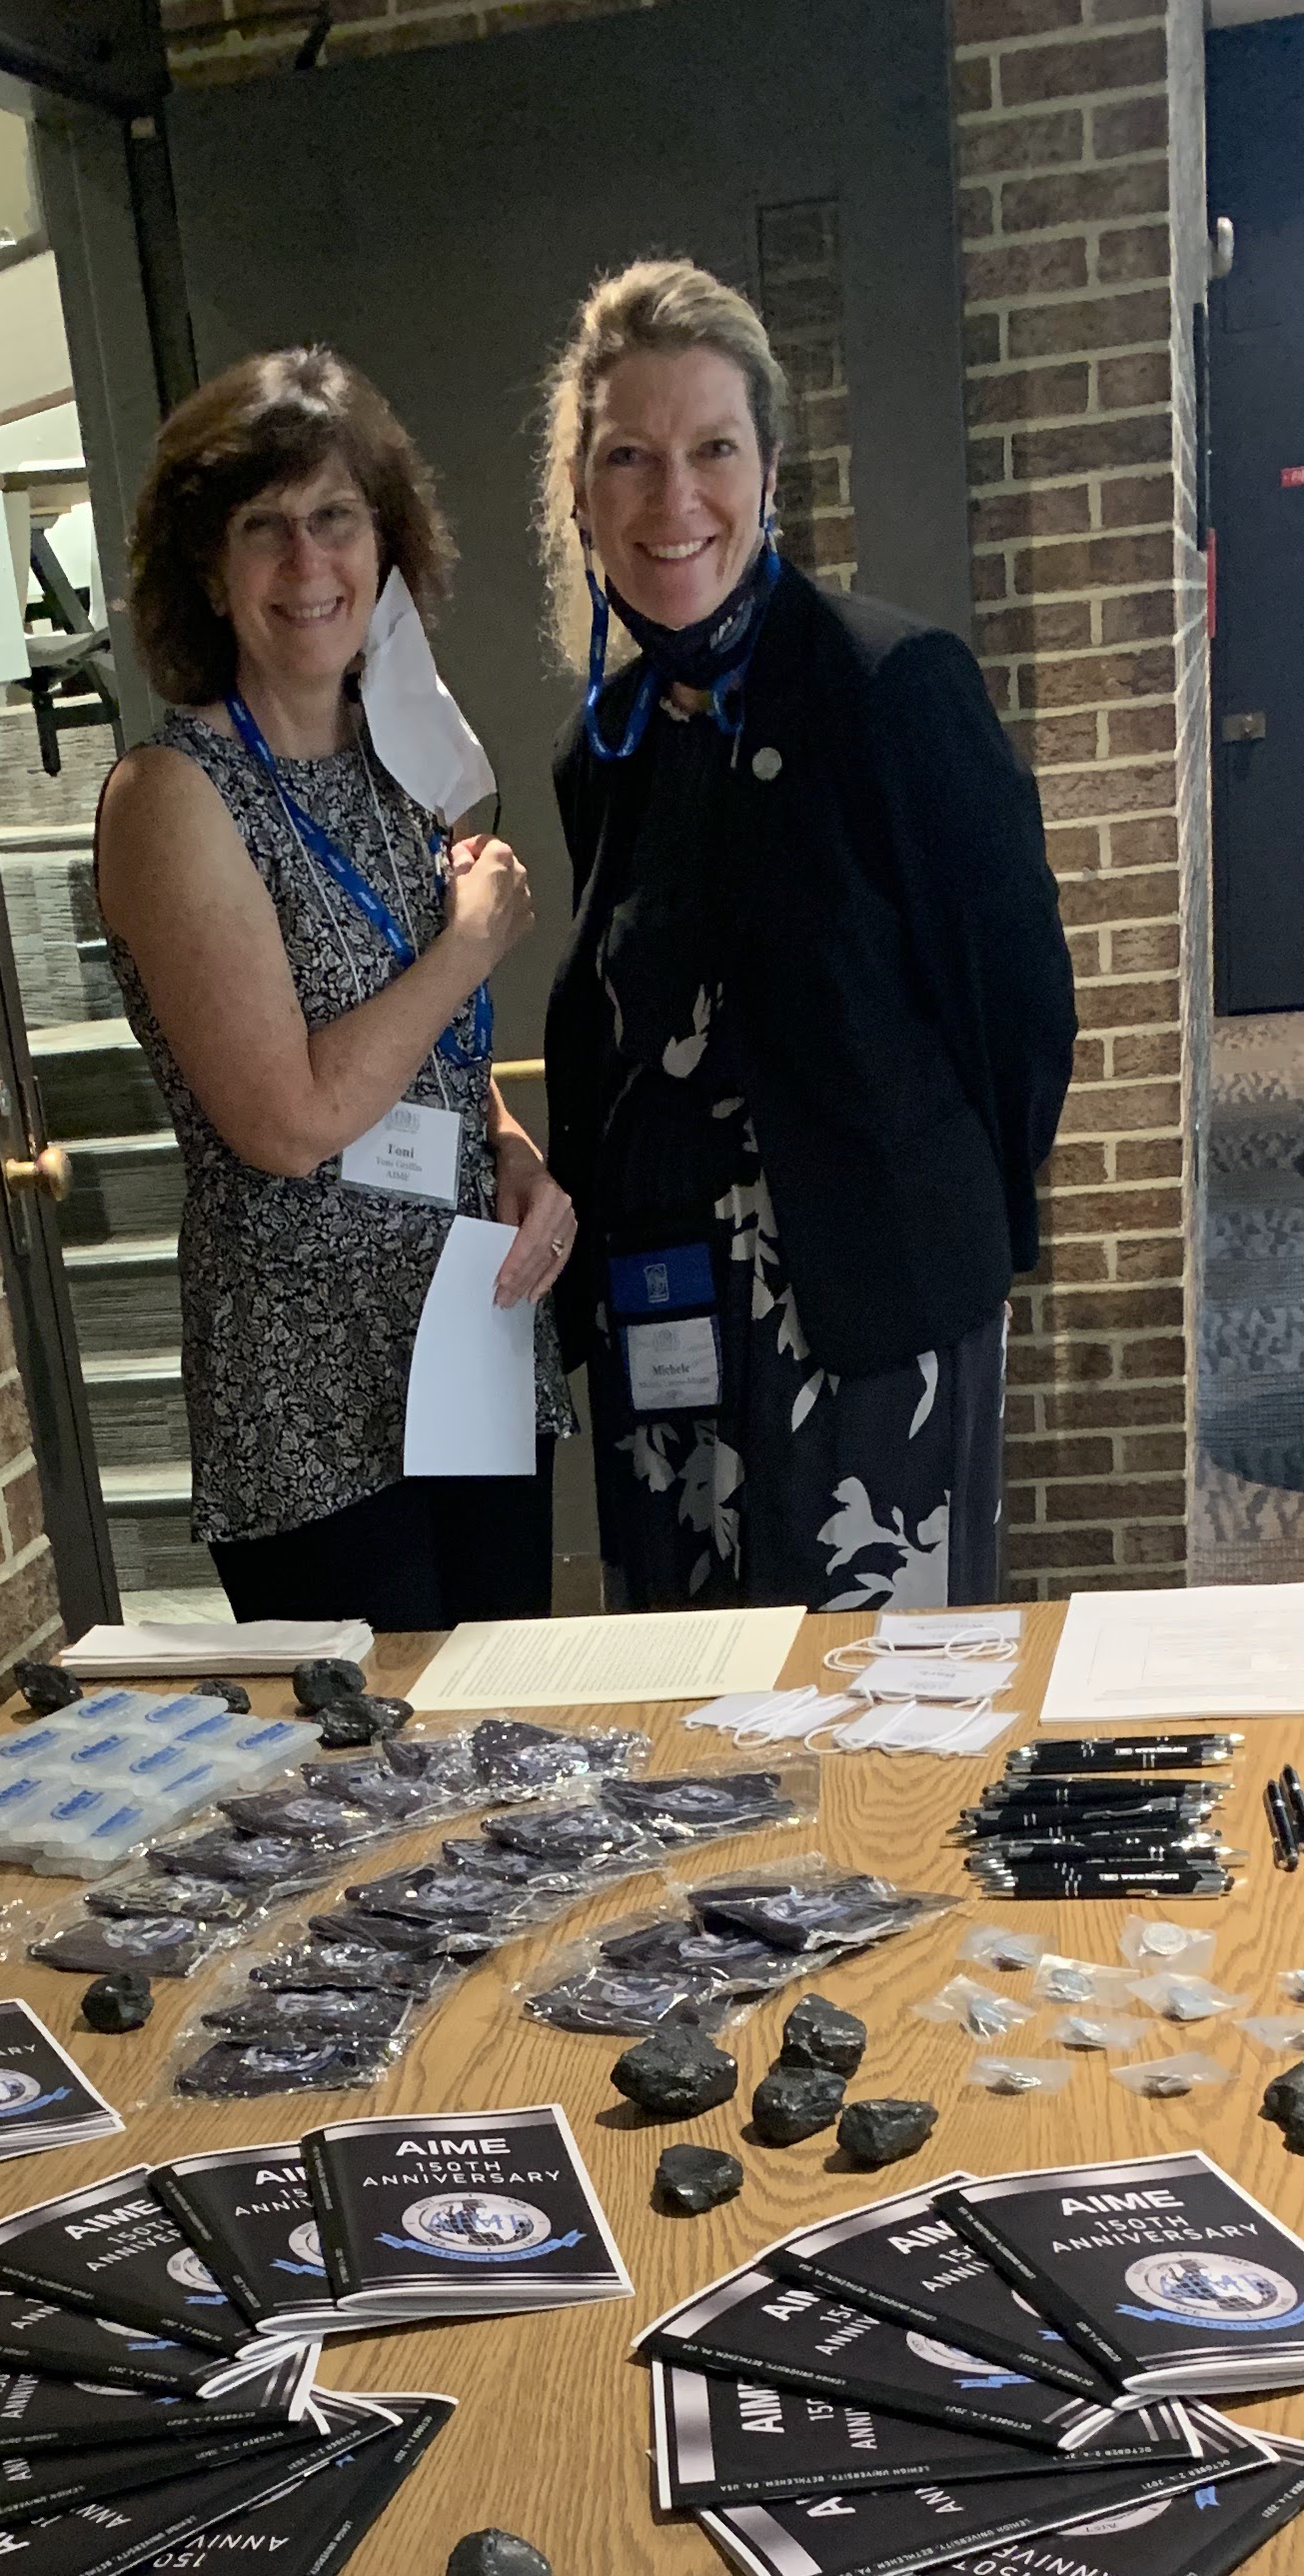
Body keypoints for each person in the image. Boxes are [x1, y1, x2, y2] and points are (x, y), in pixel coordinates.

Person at [537, 260, 1079, 1608]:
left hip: (869, 1316)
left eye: (712, 448)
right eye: (629, 457)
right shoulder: (598, 753)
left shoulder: (890, 689)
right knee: (688, 1704)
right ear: (582, 496)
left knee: (886, 1718)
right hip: (664, 1334)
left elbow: (1020, 1014)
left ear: (768, 467)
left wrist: (954, 1249)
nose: (675, 501)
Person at [93, 350, 577, 1629]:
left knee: (501, 1731)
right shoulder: (175, 798)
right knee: (371, 1789)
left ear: (388, 545)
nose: (309, 566)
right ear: (208, 567)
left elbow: (430, 1067)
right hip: (309, 1391)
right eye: (265, 529)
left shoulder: (400, 762)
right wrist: (466, 949)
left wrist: (513, 1159)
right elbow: (291, 1121)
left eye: (336, 520)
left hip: (462, 1338)